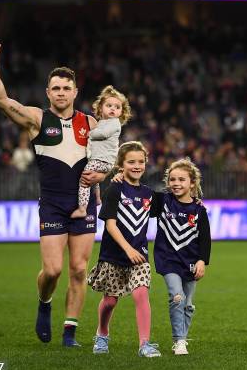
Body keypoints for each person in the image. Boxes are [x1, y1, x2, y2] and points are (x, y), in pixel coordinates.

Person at [0, 44, 107, 347]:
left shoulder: (90, 124)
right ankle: (44, 302)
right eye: (56, 88)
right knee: (53, 270)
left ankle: (69, 333)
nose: (61, 92)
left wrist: (99, 187)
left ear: (76, 92)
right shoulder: (37, 119)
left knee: (79, 269)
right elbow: (1, 100)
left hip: (84, 203)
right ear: (48, 92)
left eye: (66, 87)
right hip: (52, 204)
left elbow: (98, 162)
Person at [88, 141, 161, 357]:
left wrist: (196, 203)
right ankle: (102, 333)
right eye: (131, 162)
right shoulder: (114, 190)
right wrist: (127, 249)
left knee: (141, 295)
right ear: (121, 165)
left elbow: (173, 205)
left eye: (140, 162)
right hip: (113, 256)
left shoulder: (149, 194)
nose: (136, 166)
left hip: (139, 256)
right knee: (110, 301)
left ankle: (144, 344)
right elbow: (110, 225)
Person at [151, 158, 211, 355]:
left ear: (192, 183)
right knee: (176, 296)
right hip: (167, 260)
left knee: (188, 304)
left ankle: (182, 338)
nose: (176, 183)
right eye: (172, 179)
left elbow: (205, 240)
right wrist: (121, 177)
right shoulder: (162, 201)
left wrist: (202, 261)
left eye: (182, 180)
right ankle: (179, 341)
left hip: (191, 262)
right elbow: (137, 194)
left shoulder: (199, 210)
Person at [71, 85, 131, 218]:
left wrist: (89, 134)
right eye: (109, 105)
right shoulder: (102, 122)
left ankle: (82, 208)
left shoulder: (114, 123)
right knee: (94, 178)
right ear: (100, 108)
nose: (113, 109)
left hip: (102, 160)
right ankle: (98, 198)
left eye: (117, 107)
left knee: (85, 179)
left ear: (122, 112)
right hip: (100, 159)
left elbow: (103, 134)